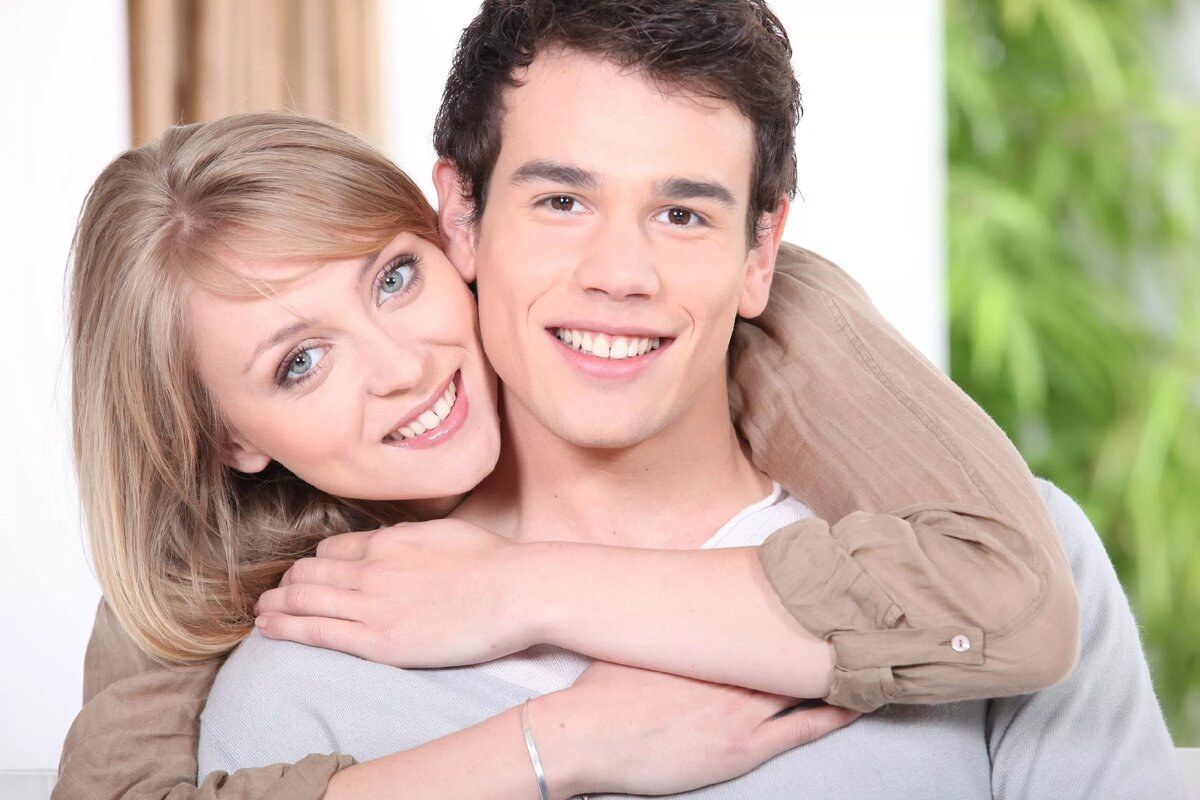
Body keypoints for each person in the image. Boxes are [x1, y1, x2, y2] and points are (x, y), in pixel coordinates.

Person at [53, 3, 1088, 798]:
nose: (400, 366)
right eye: (299, 363)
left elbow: (1017, 603)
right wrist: (561, 744)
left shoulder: (960, 508)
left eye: (393, 279)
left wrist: (518, 586)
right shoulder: (246, 623)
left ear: (442, 236)